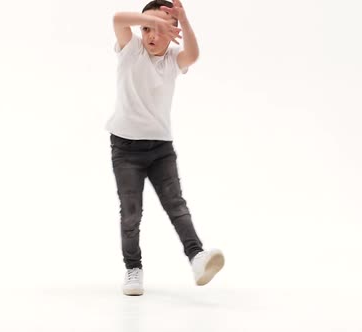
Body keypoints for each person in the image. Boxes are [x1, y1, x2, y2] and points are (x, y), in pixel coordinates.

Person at [106, 0, 224, 296]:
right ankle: (133, 269)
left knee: (176, 205)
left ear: (172, 32)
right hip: (125, 149)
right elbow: (118, 18)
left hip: (160, 148)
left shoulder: (172, 60)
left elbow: (193, 55)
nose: (151, 35)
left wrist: (182, 21)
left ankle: (197, 257)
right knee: (131, 213)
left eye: (159, 29)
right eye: (146, 28)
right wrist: (154, 20)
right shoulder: (131, 49)